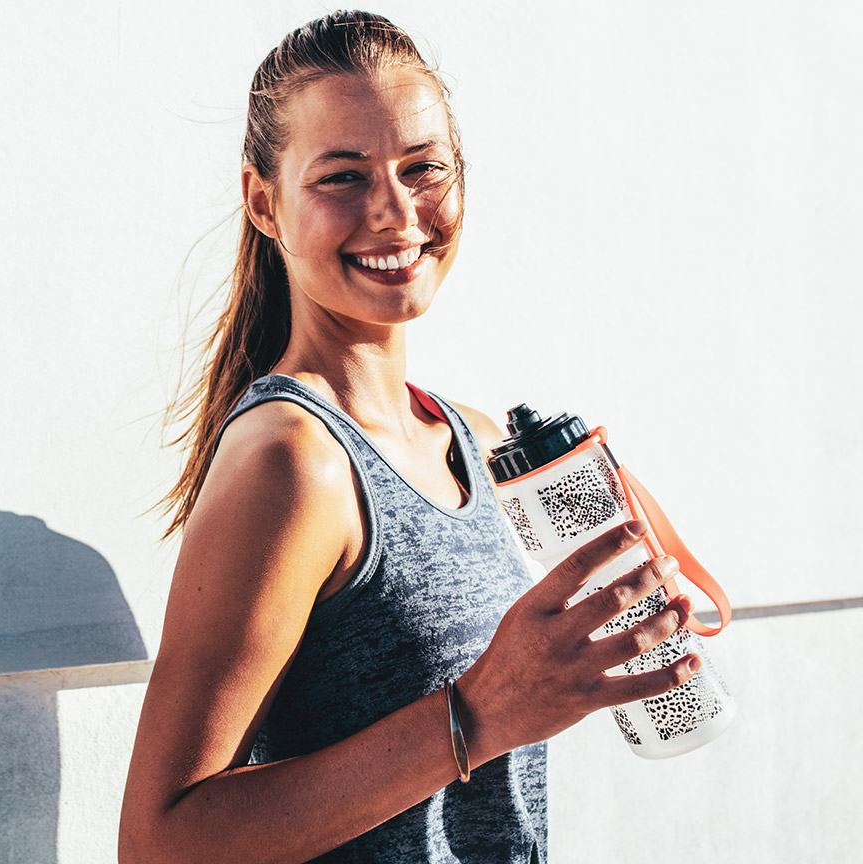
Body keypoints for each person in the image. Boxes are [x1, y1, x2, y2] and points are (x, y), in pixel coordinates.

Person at [118, 11, 701, 864]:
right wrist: (479, 714)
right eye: (343, 177)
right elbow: (160, 842)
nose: (396, 213)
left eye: (423, 168)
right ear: (263, 202)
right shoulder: (294, 462)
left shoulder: (476, 437)